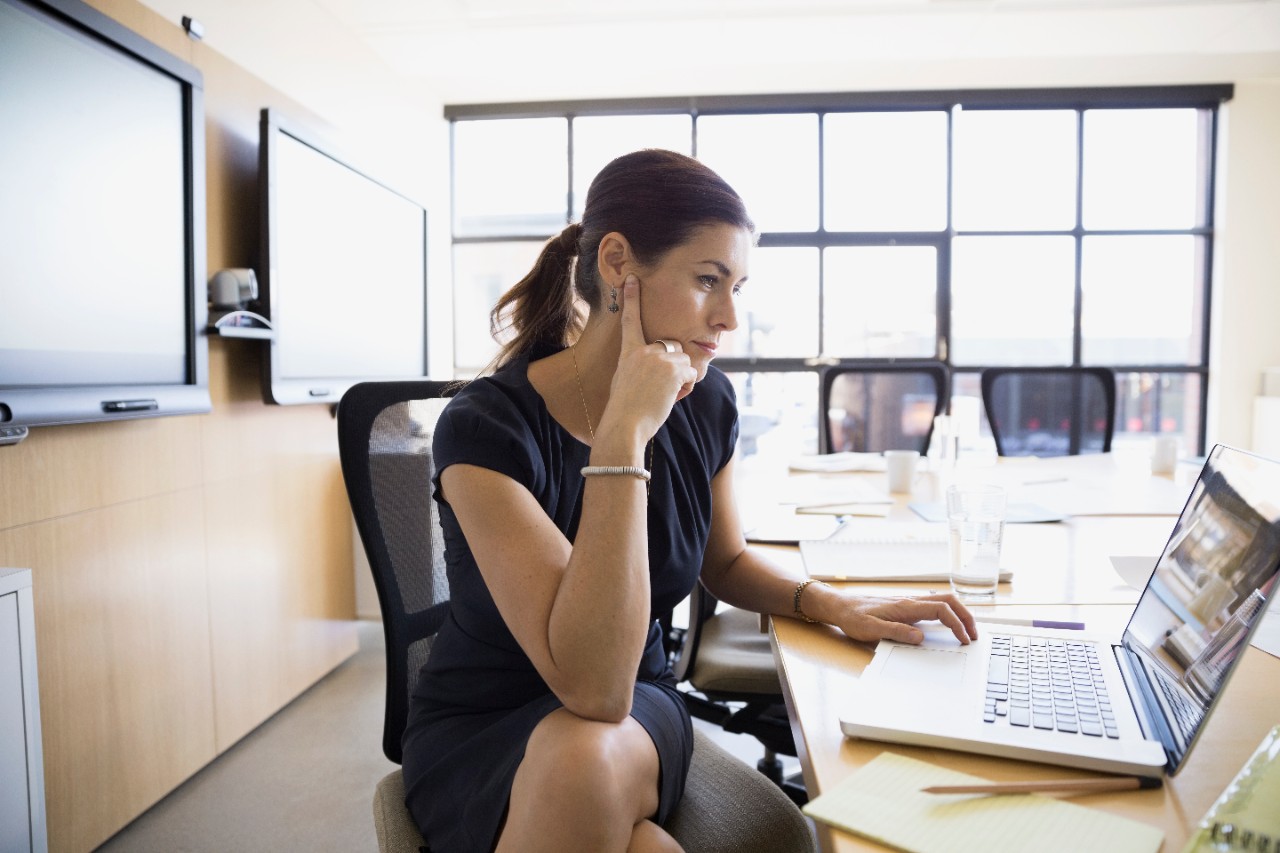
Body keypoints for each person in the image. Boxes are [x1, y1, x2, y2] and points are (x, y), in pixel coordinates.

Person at [400, 148, 977, 853]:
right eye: (709, 279)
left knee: (581, 758)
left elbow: (724, 562)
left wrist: (831, 603)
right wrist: (623, 436)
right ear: (618, 264)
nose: (730, 316)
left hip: (634, 716)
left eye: (737, 286)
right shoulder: (485, 427)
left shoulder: (706, 404)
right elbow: (589, 682)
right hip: (481, 724)